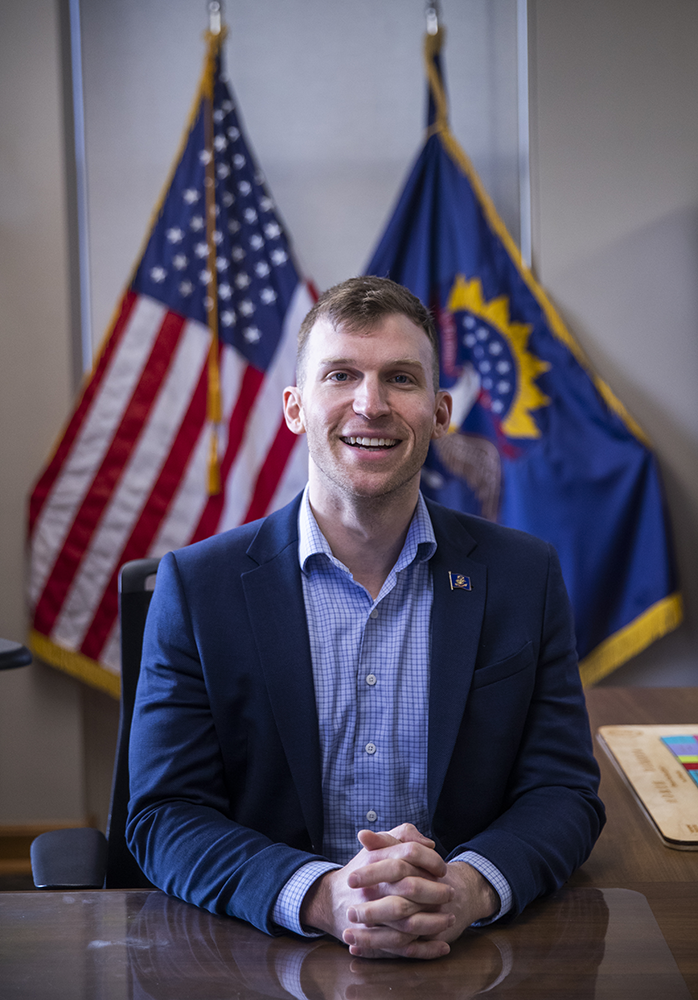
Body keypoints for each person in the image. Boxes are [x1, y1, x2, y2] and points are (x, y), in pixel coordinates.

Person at [127, 276, 604, 961]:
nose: (371, 404)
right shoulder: (198, 588)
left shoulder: (524, 577)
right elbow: (165, 815)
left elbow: (563, 792)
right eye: (341, 375)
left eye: (401, 379)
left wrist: (469, 888)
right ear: (295, 408)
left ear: (440, 412)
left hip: (467, 952)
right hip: (264, 952)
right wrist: (323, 897)